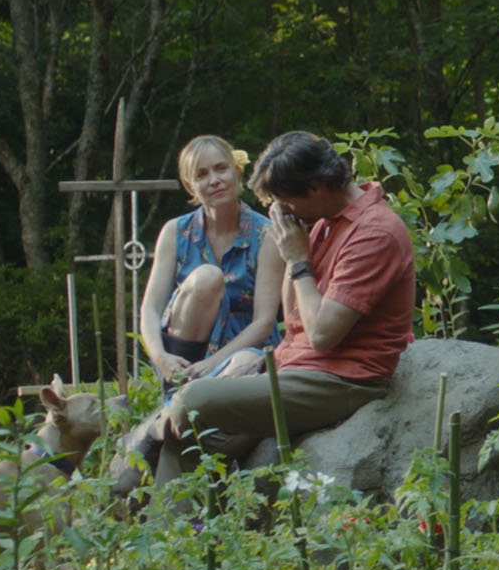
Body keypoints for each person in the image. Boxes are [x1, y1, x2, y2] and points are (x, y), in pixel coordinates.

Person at [150, 130, 416, 491]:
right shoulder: (322, 220)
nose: (281, 210)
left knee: (194, 400)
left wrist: (298, 260)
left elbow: (322, 335)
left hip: (342, 380)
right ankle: (173, 538)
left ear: (318, 187)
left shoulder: (374, 233)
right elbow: (293, 319)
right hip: (296, 366)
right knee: (188, 437)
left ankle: (142, 435)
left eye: (285, 200)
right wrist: (295, 256)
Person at [138, 135, 284, 394]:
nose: (214, 180)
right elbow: (150, 308)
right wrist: (161, 358)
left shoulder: (267, 235)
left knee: (246, 362)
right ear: (190, 185)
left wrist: (213, 362)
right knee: (207, 277)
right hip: (186, 353)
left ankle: (200, 398)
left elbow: (264, 321)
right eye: (202, 175)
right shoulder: (175, 232)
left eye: (221, 169)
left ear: (236, 171)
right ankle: (177, 392)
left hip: (241, 353)